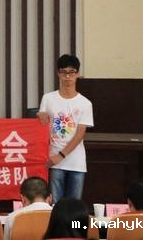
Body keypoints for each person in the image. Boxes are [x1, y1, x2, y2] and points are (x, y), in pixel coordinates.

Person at [38, 54, 94, 203]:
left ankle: (75, 225)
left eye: (71, 72)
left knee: (74, 206)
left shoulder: (85, 103)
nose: (67, 77)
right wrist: (40, 116)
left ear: (78, 74)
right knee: (55, 205)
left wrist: (61, 155)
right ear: (58, 74)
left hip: (75, 161)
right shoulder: (48, 98)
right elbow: (41, 126)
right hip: (53, 160)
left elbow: (80, 134)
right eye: (63, 72)